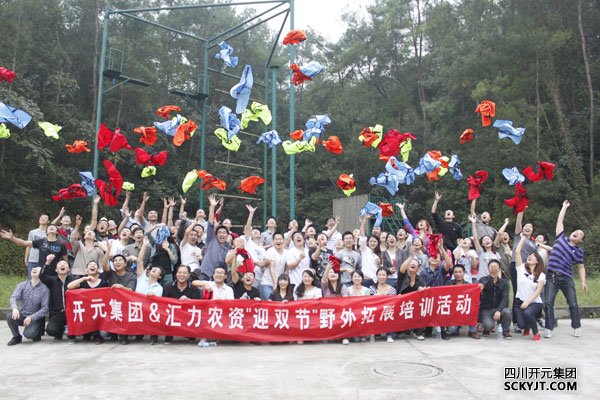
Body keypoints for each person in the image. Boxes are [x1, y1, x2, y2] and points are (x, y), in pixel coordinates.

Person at [544, 200, 587, 339]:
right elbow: (560, 221)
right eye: (576, 231)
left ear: (580, 240)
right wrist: (564, 207)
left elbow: (581, 267)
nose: (577, 233)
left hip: (566, 278)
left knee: (573, 303)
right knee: (548, 302)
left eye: (580, 234)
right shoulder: (561, 238)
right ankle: (549, 328)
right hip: (551, 276)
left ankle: (576, 327)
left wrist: (583, 281)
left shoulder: (579, 252)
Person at [102, 243, 137, 345]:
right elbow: (104, 265)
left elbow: (130, 290)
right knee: (104, 334)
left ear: (125, 264)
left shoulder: (132, 276)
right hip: (112, 304)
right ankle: (113, 333)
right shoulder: (111, 274)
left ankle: (123, 336)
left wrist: (121, 287)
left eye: (120, 260)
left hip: (126, 304)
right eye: (115, 261)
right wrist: (108, 252)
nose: (117, 262)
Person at [513, 232, 546, 340]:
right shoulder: (521, 268)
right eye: (529, 255)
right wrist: (523, 238)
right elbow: (517, 252)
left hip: (534, 303)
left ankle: (536, 333)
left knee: (528, 313)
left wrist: (527, 302)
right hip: (519, 301)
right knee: (521, 325)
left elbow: (538, 290)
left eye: (532, 256)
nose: (529, 257)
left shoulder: (541, 275)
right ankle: (526, 327)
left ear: (537, 261)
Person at [67, 261, 108, 344]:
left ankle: (97, 337)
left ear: (98, 269)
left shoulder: (103, 282)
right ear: (86, 270)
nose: (92, 266)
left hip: (98, 312)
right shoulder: (82, 282)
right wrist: (84, 278)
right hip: (85, 312)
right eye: (90, 265)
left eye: (95, 265)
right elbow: (69, 286)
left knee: (103, 333)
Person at [1, 225, 68, 276]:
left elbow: (65, 260)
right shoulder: (41, 241)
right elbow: (24, 243)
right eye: (49, 227)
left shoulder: (61, 245)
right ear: (46, 232)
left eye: (53, 227)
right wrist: (12, 238)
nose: (51, 227)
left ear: (56, 232)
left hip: (55, 272)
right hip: (41, 271)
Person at [6, 266, 49, 346]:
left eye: (38, 269)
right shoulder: (22, 285)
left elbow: (45, 308)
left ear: (41, 273)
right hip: (22, 314)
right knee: (9, 317)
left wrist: (31, 318)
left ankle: (36, 333)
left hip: (34, 318)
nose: (35, 269)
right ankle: (16, 337)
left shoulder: (44, 289)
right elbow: (13, 297)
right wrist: (14, 308)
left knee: (29, 334)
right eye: (33, 268)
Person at [161, 265, 202, 345]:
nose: (182, 275)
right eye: (179, 272)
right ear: (176, 274)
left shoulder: (194, 288)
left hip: (188, 315)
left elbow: (198, 304)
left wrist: (189, 301)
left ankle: (190, 334)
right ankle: (169, 335)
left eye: (184, 273)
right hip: (172, 314)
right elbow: (163, 303)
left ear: (189, 275)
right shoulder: (168, 287)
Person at [40, 256, 75, 341]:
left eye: (65, 264)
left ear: (69, 269)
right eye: (60, 264)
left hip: (72, 313)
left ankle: (72, 333)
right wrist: (47, 262)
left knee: (75, 333)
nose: (62, 265)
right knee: (51, 330)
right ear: (56, 269)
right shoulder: (52, 281)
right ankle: (59, 331)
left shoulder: (73, 280)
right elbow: (42, 277)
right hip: (57, 313)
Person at [198, 194, 231, 280]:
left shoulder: (229, 247)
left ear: (227, 235)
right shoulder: (211, 240)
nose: (222, 234)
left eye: (224, 233)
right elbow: (211, 223)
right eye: (219, 233)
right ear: (216, 235)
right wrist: (212, 207)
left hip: (219, 277)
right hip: (205, 274)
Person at [477, 260, 512, 339]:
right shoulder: (483, 280)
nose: (493, 268)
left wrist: (499, 310)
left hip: (499, 308)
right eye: (491, 267)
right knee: (488, 325)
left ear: (499, 269)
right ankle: (486, 327)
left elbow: (505, 298)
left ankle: (506, 331)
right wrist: (492, 277)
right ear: (488, 268)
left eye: (495, 267)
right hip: (487, 309)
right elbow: (487, 286)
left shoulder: (504, 283)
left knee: (507, 312)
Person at [397, 251, 426, 340]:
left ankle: (417, 332)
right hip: (401, 304)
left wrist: (422, 289)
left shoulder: (420, 279)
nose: (412, 264)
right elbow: (402, 269)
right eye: (411, 263)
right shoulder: (403, 276)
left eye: (415, 263)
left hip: (415, 305)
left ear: (418, 268)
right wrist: (411, 256)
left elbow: (424, 288)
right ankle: (401, 331)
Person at [446, 264, 478, 339]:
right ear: (453, 274)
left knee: (474, 308)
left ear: (464, 273)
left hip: (465, 309)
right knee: (452, 329)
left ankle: (472, 331)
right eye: (456, 272)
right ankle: (456, 327)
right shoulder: (449, 283)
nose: (458, 274)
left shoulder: (469, 285)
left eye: (460, 272)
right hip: (453, 311)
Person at [469, 214, 501, 280]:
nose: (487, 240)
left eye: (488, 239)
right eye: (484, 240)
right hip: (483, 279)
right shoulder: (480, 252)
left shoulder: (497, 254)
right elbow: (475, 238)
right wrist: (473, 223)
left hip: (494, 279)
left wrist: (499, 279)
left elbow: (499, 269)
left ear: (492, 242)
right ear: (482, 244)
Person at [261, 232, 288, 300]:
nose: (278, 241)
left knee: (279, 304)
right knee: (270, 303)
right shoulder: (270, 251)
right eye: (276, 239)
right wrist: (275, 283)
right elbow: (271, 267)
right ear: (273, 241)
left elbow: (286, 269)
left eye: (280, 239)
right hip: (267, 283)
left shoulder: (287, 252)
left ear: (283, 240)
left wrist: (284, 282)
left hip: (280, 284)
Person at [358, 215, 382, 288]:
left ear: (378, 243)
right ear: (368, 242)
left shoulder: (380, 253)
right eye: (371, 241)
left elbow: (381, 268)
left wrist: (379, 263)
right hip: (366, 279)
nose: (372, 243)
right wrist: (364, 221)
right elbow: (362, 235)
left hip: (376, 280)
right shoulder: (365, 249)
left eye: (374, 241)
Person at [24, 213, 49, 278]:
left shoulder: (49, 233)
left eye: (45, 218)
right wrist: (26, 259)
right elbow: (28, 246)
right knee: (32, 278)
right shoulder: (32, 232)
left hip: (44, 260)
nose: (43, 218)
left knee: (43, 279)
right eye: (41, 217)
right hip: (32, 260)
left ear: (48, 221)